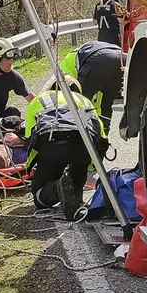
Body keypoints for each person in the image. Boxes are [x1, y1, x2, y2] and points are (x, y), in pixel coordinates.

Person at [24, 76, 109, 220]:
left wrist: (35, 169)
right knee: (77, 181)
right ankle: (75, 196)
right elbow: (101, 138)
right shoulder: (84, 101)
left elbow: (30, 140)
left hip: (52, 143)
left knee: (40, 199)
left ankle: (57, 188)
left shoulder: (39, 100)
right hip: (82, 145)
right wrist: (91, 166)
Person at [60, 41, 127, 131]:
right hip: (122, 58)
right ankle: (104, 134)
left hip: (98, 59)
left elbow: (71, 96)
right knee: (106, 103)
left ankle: (81, 135)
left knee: (80, 101)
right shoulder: (73, 56)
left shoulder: (64, 70)